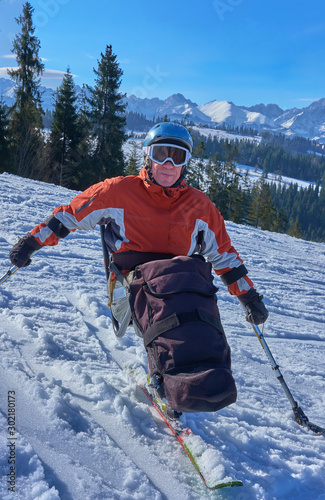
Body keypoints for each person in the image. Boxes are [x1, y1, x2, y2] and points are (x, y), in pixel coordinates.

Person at [9, 122, 268, 413]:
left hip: (177, 286)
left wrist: (249, 297)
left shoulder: (199, 205)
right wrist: (30, 243)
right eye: (161, 155)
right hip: (128, 286)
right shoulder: (119, 191)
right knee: (164, 305)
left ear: (186, 164)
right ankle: (165, 378)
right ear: (148, 157)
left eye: (177, 157)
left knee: (196, 303)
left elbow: (224, 257)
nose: (168, 164)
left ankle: (202, 374)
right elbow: (68, 217)